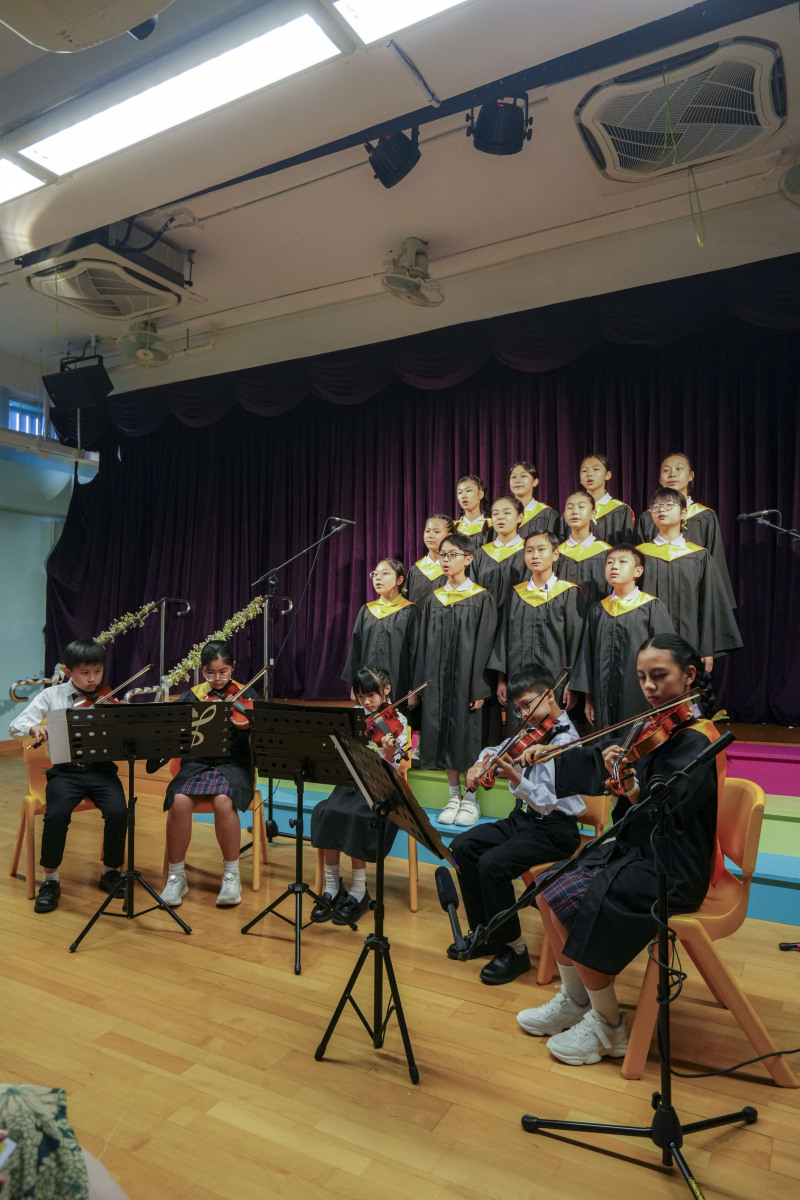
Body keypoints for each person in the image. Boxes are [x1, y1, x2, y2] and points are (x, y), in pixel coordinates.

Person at [516, 634, 726, 1066]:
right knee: (546, 887)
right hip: (639, 849)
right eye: (642, 677)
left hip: (672, 865)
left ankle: (609, 1025)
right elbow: (617, 771)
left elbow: (667, 810)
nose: (648, 686)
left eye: (659, 676)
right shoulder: (659, 727)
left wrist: (631, 788)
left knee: (579, 901)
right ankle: (576, 999)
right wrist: (558, 755)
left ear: (689, 675)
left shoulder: (698, 739)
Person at [450, 668, 584, 985]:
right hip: (523, 820)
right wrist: (480, 762)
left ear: (549, 695)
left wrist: (514, 778)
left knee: (492, 865)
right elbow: (496, 750)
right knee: (461, 848)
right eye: (519, 709)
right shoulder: (533, 731)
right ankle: (485, 932)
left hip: (556, 830)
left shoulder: (567, 742)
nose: (524, 715)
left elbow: (548, 802)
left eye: (527, 705)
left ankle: (514, 950)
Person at [8, 638, 127, 914]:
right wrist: (34, 729)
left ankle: (110, 871)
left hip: (101, 770)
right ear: (68, 670)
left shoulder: (106, 697)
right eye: (85, 673)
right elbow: (16, 725)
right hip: (66, 772)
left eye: (97, 671)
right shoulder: (52, 696)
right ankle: (50, 880)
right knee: (57, 815)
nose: (92, 679)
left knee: (119, 811)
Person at [160, 639, 259, 909]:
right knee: (179, 801)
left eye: (223, 672)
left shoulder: (247, 694)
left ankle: (231, 875)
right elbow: (173, 729)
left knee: (223, 801)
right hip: (197, 763)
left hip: (234, 765)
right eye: (210, 673)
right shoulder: (193, 696)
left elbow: (261, 740)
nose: (217, 679)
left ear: (233, 667)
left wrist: (252, 728)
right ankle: (176, 876)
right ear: (201, 670)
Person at [409, 531, 497, 828]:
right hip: (437, 681)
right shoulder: (434, 598)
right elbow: (423, 645)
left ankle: (471, 798)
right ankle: (453, 795)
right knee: (444, 736)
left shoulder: (482, 598)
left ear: (468, 559)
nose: (445, 560)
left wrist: (480, 688)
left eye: (452, 555)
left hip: (467, 683)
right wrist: (420, 685)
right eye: (442, 555)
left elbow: (486, 647)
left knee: (467, 736)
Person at [310, 665, 408, 925]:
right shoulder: (354, 717)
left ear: (386, 690)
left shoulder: (398, 721)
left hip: (382, 788)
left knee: (356, 816)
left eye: (371, 696)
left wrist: (388, 755)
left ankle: (358, 891)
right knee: (327, 811)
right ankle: (333, 887)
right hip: (351, 783)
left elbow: (396, 769)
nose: (365, 702)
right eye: (360, 696)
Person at [570, 544, 675, 729]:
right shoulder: (598, 610)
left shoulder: (651, 607)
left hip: (641, 696)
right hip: (602, 697)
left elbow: (666, 657)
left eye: (622, 562)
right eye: (609, 562)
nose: (614, 566)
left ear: (638, 571)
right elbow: (588, 656)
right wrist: (589, 698)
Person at [637, 488, 741, 671]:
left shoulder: (699, 556)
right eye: (656, 506)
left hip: (690, 642)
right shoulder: (639, 555)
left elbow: (708, 604)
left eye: (669, 505)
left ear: (683, 513)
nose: (662, 509)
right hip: (646, 641)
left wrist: (707, 648)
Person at [490, 529, 582, 730]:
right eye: (529, 551)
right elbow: (504, 639)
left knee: (554, 733)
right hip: (518, 680)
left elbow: (577, 642)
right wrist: (501, 680)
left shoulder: (569, 593)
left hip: (555, 681)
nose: (535, 555)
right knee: (519, 733)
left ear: (555, 554)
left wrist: (574, 683)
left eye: (541, 549)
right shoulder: (516, 594)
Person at [634, 452, 736, 606]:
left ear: (691, 475)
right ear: (660, 479)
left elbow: (716, 558)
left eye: (679, 469)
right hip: (653, 591)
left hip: (693, 593)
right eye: (666, 470)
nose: (672, 474)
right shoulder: (648, 517)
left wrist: (720, 601)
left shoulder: (705, 516)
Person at [341, 558, 420, 705]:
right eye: (375, 574)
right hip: (368, 686)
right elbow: (356, 650)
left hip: (400, 686)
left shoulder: (410, 611)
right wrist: (355, 684)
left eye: (385, 573)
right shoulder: (366, 610)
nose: (378, 578)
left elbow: (416, 653)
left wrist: (413, 690)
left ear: (399, 580)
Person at [469, 494, 528, 610]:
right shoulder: (480, 554)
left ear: (520, 517)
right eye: (495, 514)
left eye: (507, 513)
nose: (500, 517)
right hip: (485, 617)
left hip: (517, 617)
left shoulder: (528, 552)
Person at [554, 490, 612, 605]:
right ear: (565, 516)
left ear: (593, 514)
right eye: (569, 508)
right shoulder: (556, 554)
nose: (575, 512)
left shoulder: (606, 553)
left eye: (581, 507)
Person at [577, 453, 634, 546]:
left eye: (596, 469)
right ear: (580, 479)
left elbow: (626, 547)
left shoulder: (620, 510)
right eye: (584, 471)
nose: (589, 474)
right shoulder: (574, 511)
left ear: (607, 475)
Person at [406, 514, 456, 607]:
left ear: (449, 536)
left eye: (436, 532)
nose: (430, 536)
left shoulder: (457, 569)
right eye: (427, 531)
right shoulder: (415, 570)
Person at [509, 460, 559, 538]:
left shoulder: (547, 514)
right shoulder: (503, 514)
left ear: (535, 482)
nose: (517, 481)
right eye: (513, 477)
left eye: (523, 476)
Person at [455, 474, 492, 548]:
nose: (463, 496)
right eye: (460, 492)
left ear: (480, 494)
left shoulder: (491, 525)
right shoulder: (453, 527)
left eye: (468, 491)